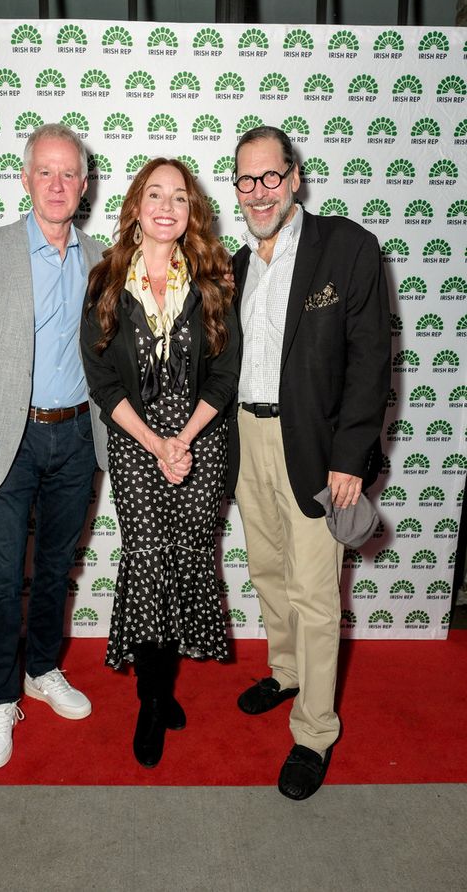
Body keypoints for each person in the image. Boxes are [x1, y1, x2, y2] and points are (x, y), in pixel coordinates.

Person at [228, 126, 390, 799]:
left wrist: (351, 456)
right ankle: (287, 671)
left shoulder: (346, 248)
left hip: (318, 451)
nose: (259, 191)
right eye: (246, 180)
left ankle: (315, 730)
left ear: (296, 177)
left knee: (317, 594)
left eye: (271, 176)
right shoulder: (237, 265)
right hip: (246, 439)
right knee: (268, 572)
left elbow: (370, 360)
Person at [0, 124, 105, 770]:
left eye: (70, 175)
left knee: (58, 565)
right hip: (4, 439)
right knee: (3, 577)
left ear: (84, 186)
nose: (58, 185)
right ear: (25, 179)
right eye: (47, 173)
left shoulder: (100, 259)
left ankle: (42, 668)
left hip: (75, 438)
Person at [81, 158, 240, 768]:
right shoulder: (105, 280)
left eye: (180, 195)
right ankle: (151, 700)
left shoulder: (212, 280)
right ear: (136, 205)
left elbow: (225, 374)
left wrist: (186, 439)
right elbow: (101, 376)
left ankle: (163, 686)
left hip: (202, 439)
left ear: (191, 210)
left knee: (185, 562)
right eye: (155, 193)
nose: (167, 205)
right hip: (135, 441)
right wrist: (157, 443)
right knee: (148, 563)